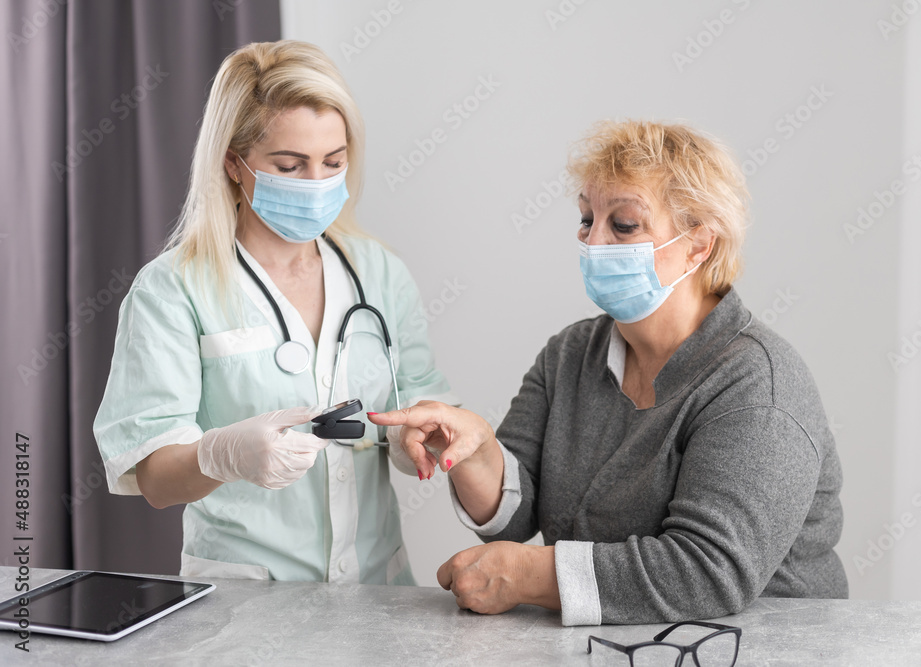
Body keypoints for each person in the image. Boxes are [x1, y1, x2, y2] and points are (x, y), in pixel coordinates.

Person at [371, 121, 848, 625]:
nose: (593, 242)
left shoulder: (757, 384)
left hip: (759, 647)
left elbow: (708, 572)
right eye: (586, 219)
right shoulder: (571, 353)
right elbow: (516, 516)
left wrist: (530, 575)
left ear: (699, 244)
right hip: (620, 647)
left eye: (623, 225)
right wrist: (475, 451)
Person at [93, 40, 456, 583]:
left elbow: (421, 402)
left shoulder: (379, 272)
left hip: (378, 592)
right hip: (246, 602)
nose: (317, 184)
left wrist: (415, 438)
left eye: (333, 162)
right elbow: (154, 478)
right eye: (290, 165)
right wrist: (219, 455)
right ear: (233, 163)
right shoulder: (171, 289)